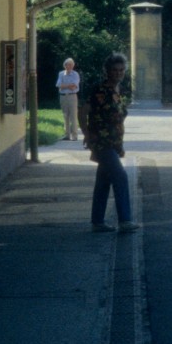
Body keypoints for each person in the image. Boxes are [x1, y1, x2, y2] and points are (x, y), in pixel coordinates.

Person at [81, 52, 139, 233]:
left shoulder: (118, 91)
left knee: (104, 181)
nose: (118, 73)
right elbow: (83, 111)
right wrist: (87, 133)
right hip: (101, 142)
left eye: (121, 70)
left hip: (113, 143)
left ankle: (97, 222)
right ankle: (125, 220)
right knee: (121, 176)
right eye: (114, 70)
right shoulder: (100, 90)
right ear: (107, 71)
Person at [55, 57, 81, 140]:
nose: (68, 66)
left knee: (73, 116)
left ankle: (74, 135)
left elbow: (74, 86)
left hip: (72, 96)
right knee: (65, 116)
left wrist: (64, 86)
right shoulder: (61, 74)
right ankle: (67, 135)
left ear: (73, 66)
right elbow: (58, 85)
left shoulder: (75, 74)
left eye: (70, 65)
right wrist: (68, 86)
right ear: (64, 66)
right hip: (63, 97)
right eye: (67, 64)